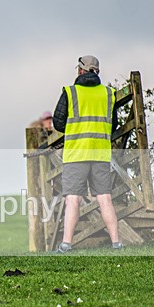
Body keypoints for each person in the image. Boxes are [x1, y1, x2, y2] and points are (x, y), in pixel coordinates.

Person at [52, 55, 122, 253]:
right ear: (97, 71)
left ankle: (66, 244)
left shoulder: (70, 92)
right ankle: (116, 243)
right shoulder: (109, 94)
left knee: (73, 199)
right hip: (100, 154)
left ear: (80, 70)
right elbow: (113, 124)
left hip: (76, 154)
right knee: (104, 198)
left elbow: (58, 123)